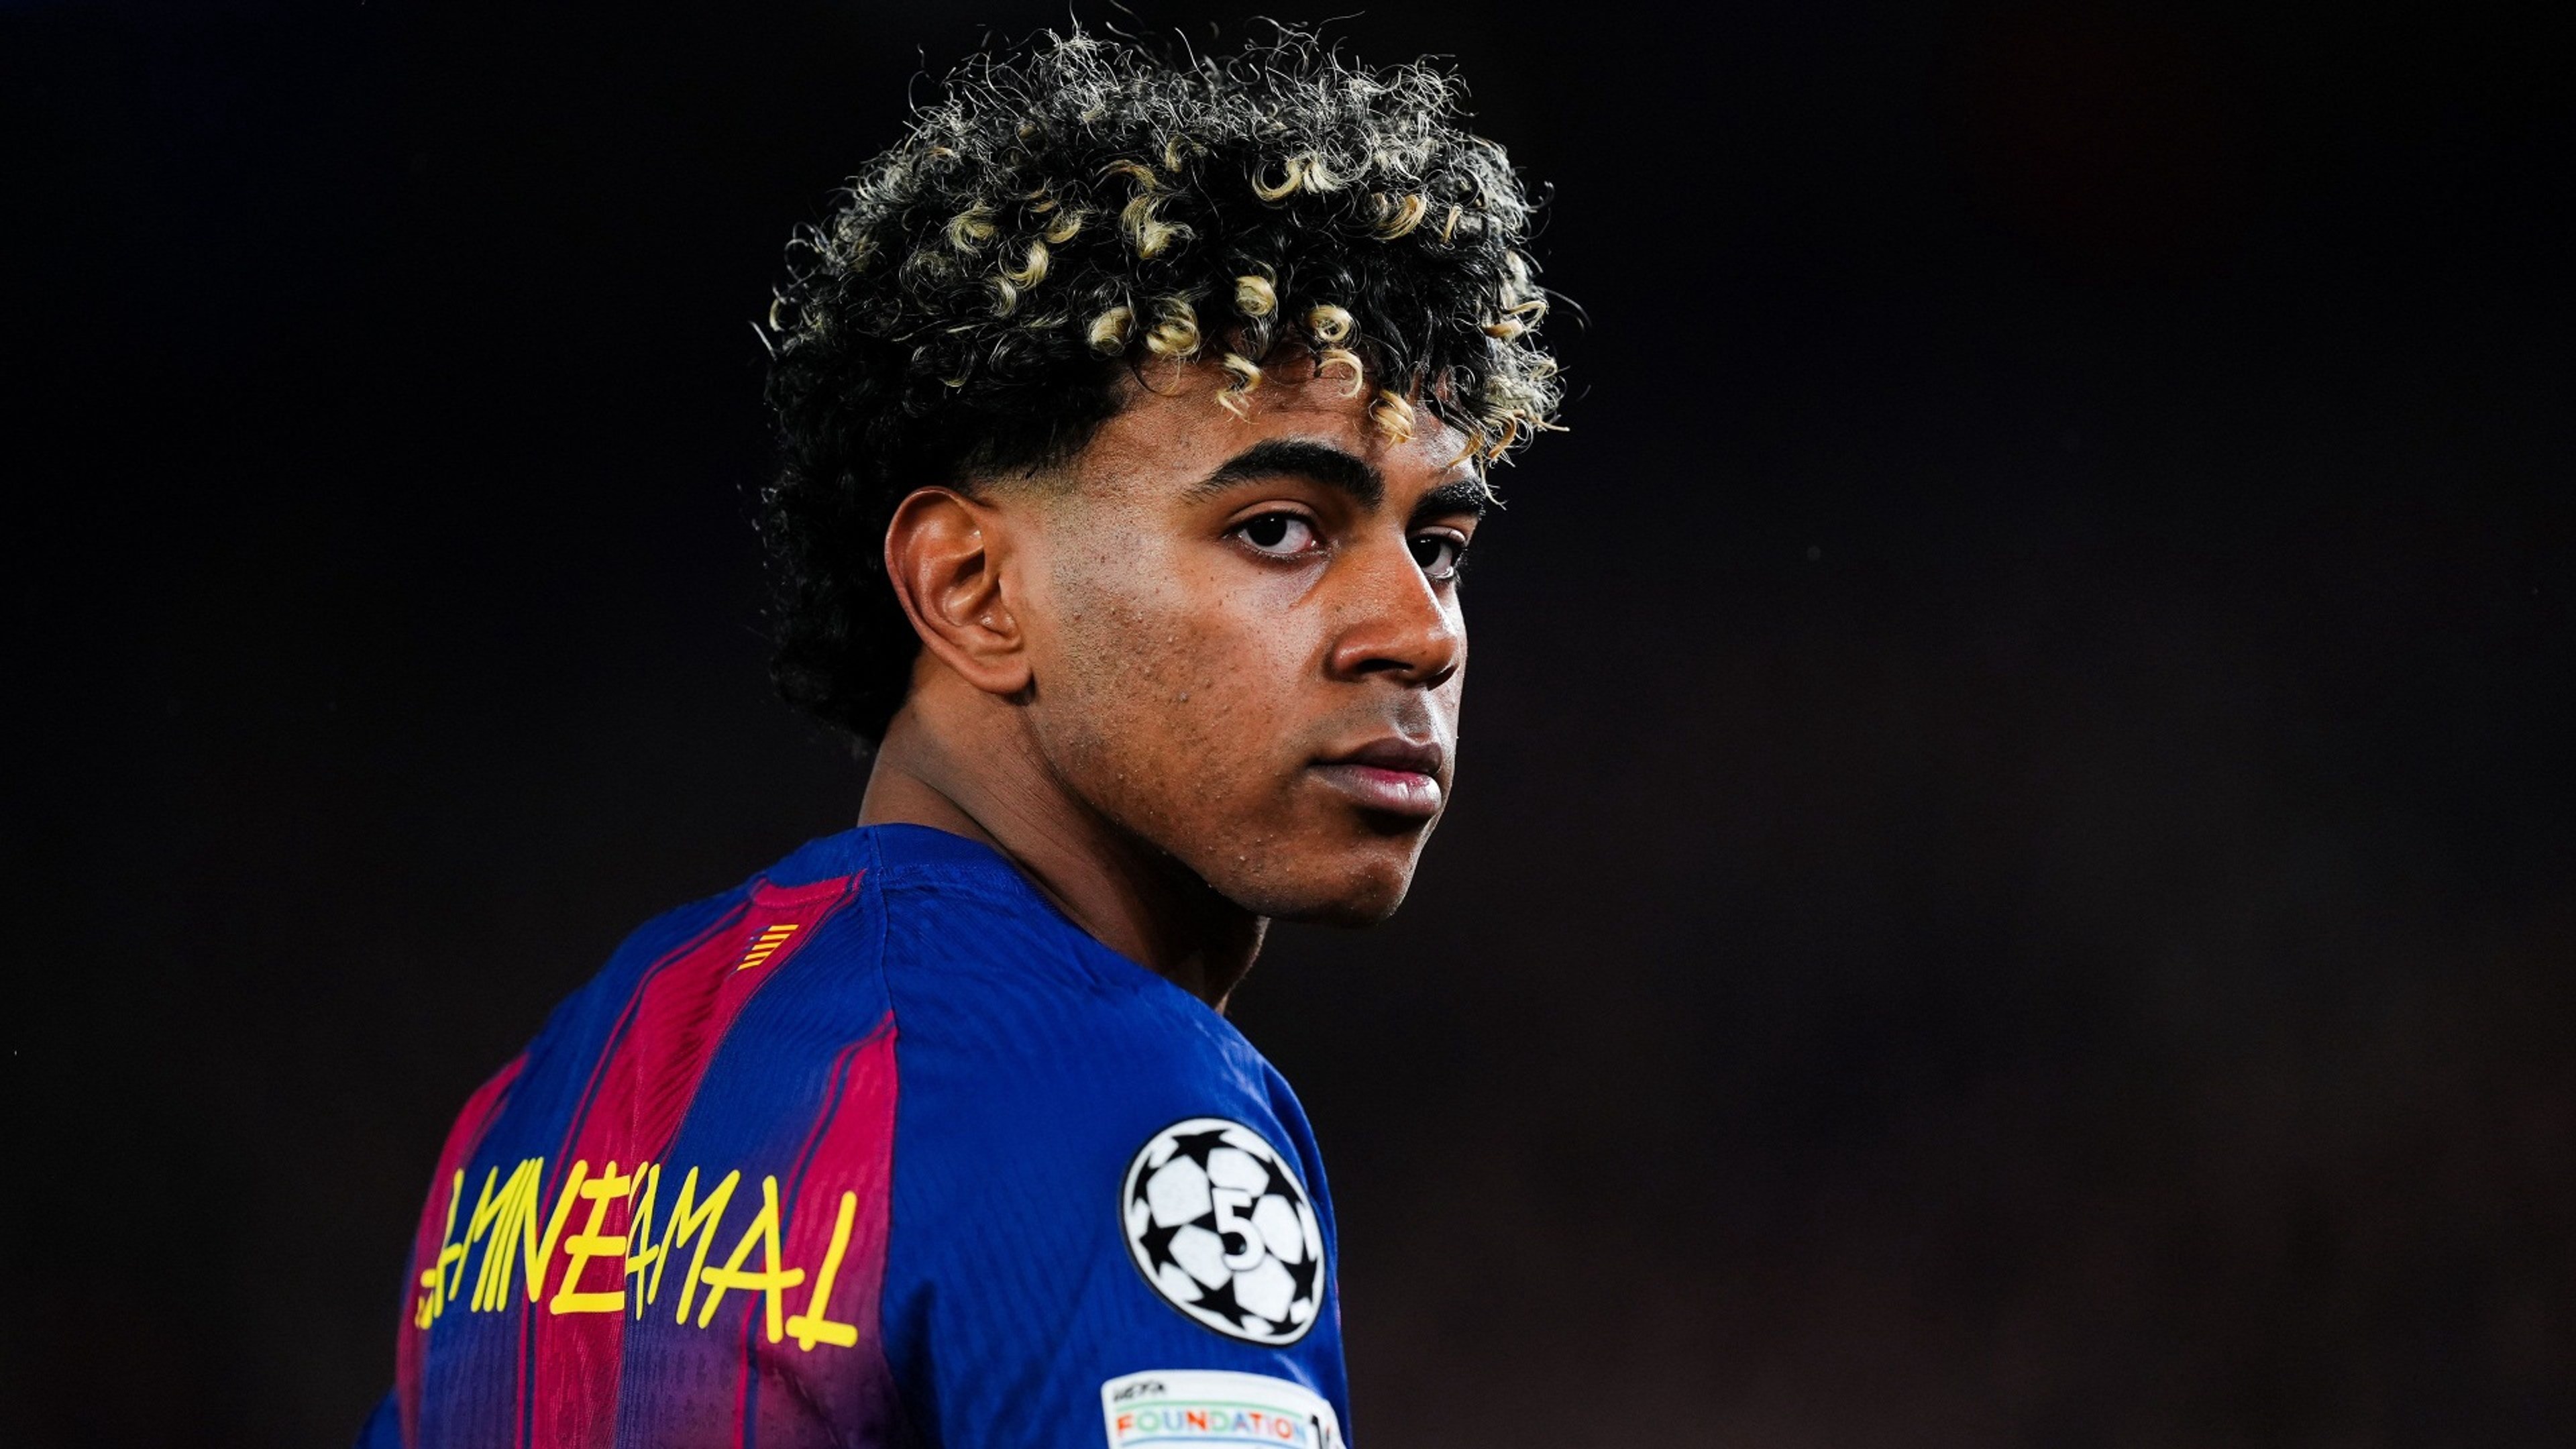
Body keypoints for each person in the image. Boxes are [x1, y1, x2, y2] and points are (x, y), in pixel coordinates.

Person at [360, 23, 1561, 1448]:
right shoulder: (1121, 1101)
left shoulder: (543, 1109)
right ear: (972, 590)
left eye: (1440, 544)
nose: (1420, 630)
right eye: (1277, 529)